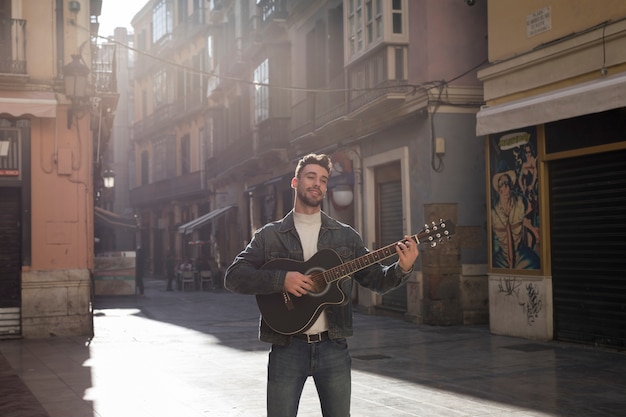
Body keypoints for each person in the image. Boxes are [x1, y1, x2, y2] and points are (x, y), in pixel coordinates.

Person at [224, 153, 419, 417]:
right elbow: (234, 276)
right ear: (295, 182)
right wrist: (282, 279)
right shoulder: (270, 236)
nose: (317, 183)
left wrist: (403, 267)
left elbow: (376, 280)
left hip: (333, 348)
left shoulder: (346, 236)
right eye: (311, 177)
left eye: (323, 179)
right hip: (286, 347)